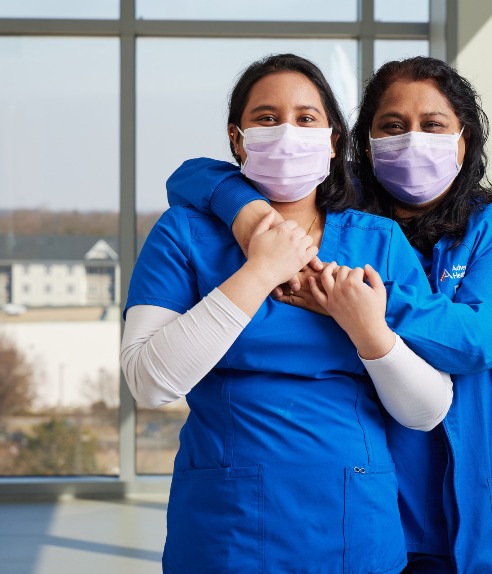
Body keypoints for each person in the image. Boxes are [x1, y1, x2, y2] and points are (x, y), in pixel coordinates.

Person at [167, 56, 492, 574]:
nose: (412, 141)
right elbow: (193, 176)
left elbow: (477, 338)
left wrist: (360, 301)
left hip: (464, 482)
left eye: (432, 126)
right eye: (392, 126)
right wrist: (245, 209)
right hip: (362, 483)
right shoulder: (337, 213)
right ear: (360, 140)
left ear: (464, 140)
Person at [120, 53, 455, 574]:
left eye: (306, 118)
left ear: (334, 140)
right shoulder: (184, 235)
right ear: (237, 139)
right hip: (224, 528)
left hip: (355, 522)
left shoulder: (377, 242)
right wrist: (259, 271)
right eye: (266, 118)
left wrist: (369, 332)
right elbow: (149, 382)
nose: (287, 133)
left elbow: (428, 409)